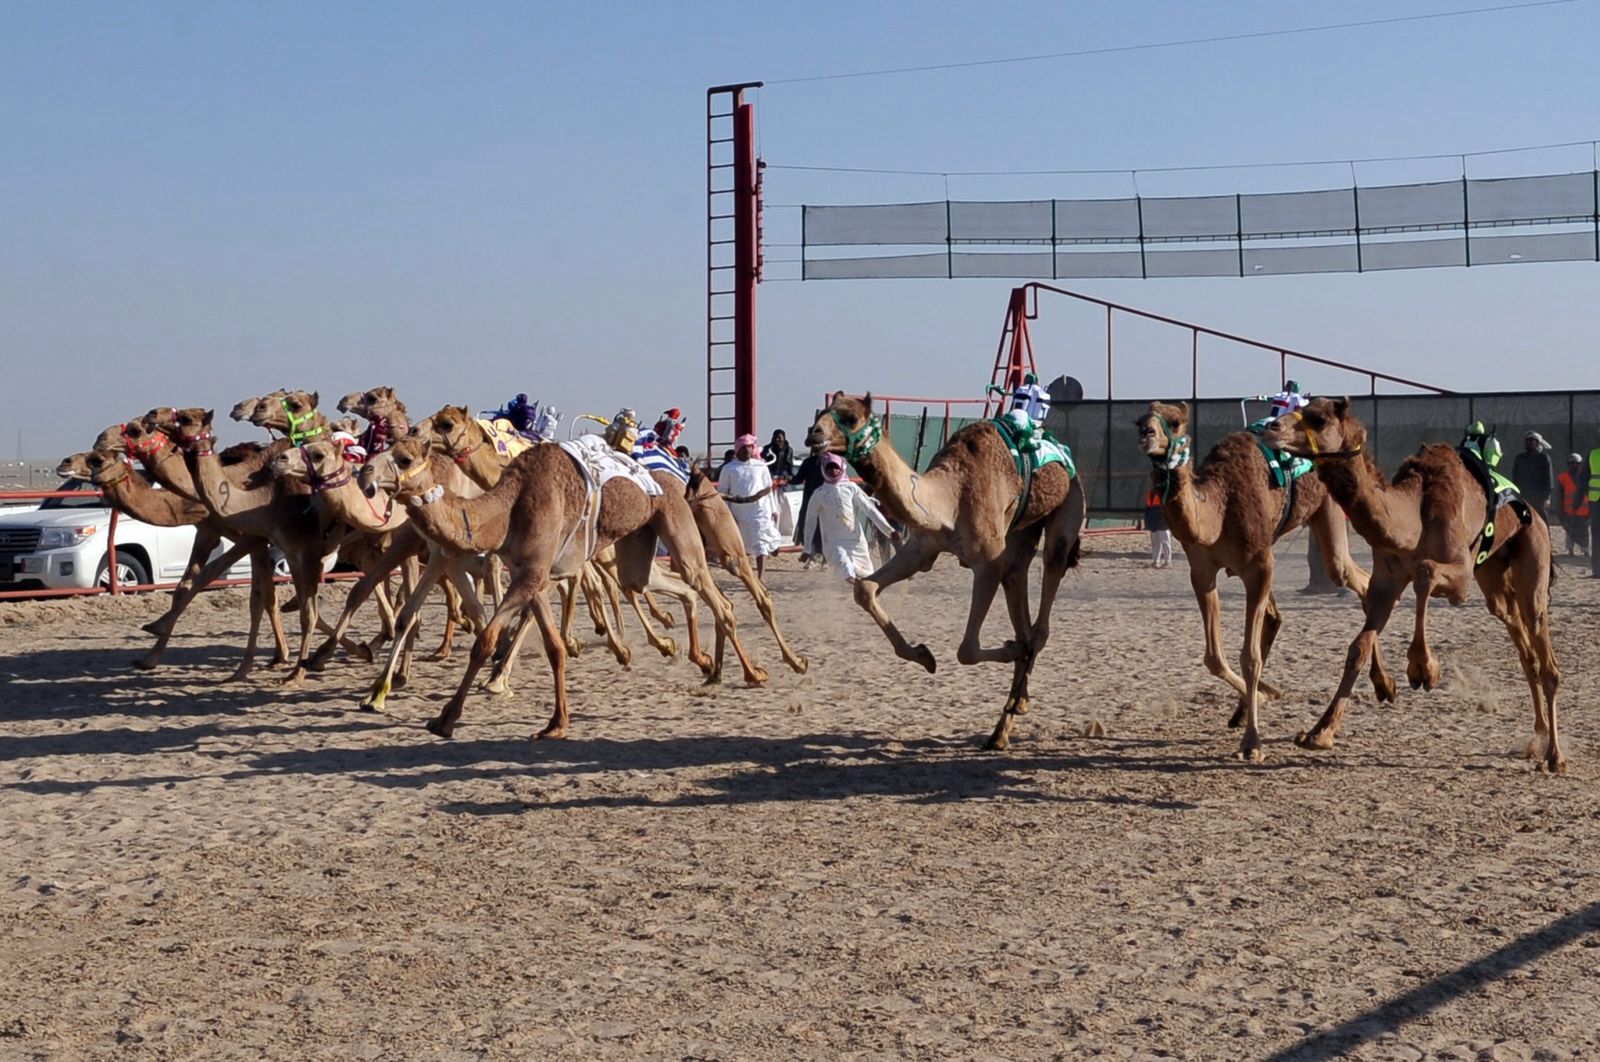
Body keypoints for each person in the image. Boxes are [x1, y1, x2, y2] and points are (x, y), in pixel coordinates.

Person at [802, 453, 899, 582]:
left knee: (868, 575)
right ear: (824, 469)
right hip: (833, 542)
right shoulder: (819, 494)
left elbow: (869, 509)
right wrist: (807, 548)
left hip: (855, 539)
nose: (833, 470)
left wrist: (889, 531)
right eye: (829, 467)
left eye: (835, 467)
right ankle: (854, 582)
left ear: (842, 467)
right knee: (845, 566)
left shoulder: (851, 488)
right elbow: (810, 521)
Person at [716, 434, 785, 579]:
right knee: (740, 544)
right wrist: (727, 514)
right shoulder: (729, 469)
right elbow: (723, 493)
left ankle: (760, 577)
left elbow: (768, 489)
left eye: (749, 447)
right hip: (739, 511)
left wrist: (773, 509)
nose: (747, 450)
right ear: (738, 450)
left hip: (760, 510)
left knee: (761, 543)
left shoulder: (760, 466)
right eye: (744, 447)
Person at [791, 445, 828, 566]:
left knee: (825, 527)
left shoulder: (831, 462)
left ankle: (824, 556)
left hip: (826, 500)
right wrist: (786, 479)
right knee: (809, 526)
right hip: (810, 499)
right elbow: (798, 479)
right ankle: (812, 553)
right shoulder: (808, 462)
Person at [1511, 430, 1554, 517]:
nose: (1528, 442)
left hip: (1539, 499)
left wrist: (1547, 498)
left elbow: (1548, 479)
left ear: (1538, 443)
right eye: (1527, 440)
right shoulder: (1520, 458)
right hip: (1523, 496)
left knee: (1541, 520)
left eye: (1531, 440)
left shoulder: (1544, 458)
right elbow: (1515, 478)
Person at [1556, 453, 1590, 556]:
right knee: (1569, 531)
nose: (1574, 465)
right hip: (1569, 510)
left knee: (1584, 532)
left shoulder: (1586, 477)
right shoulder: (1562, 477)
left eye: (1576, 463)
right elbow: (1559, 495)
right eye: (1571, 463)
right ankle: (1570, 550)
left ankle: (1585, 550)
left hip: (1584, 511)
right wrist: (1560, 510)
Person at [1144, 487, 1172, 569]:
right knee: (1155, 542)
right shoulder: (1151, 493)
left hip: (1162, 520)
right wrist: (1148, 522)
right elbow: (1148, 508)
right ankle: (1156, 561)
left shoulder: (1165, 492)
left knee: (1165, 542)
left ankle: (1167, 561)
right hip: (1153, 520)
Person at [1588, 427, 1600, 577]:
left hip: (1596, 502)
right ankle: (1597, 570)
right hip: (1596, 502)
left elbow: (1583, 479)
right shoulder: (1593, 455)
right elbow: (1584, 479)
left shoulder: (1592, 455)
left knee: (1597, 538)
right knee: (1597, 537)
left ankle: (1597, 570)